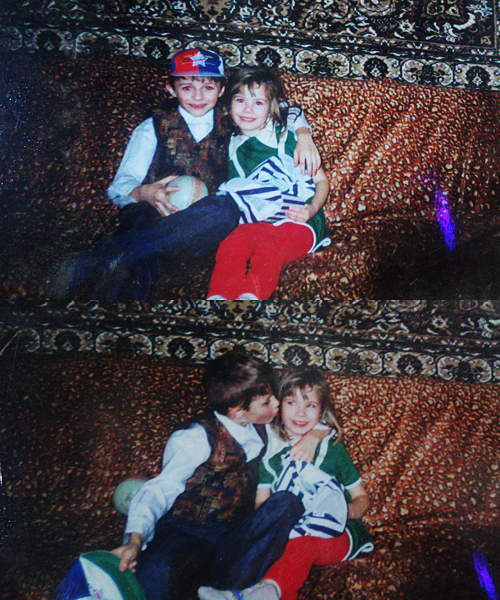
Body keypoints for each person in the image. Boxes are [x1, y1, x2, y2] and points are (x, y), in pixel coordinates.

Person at [51, 48, 320, 301]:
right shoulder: (152, 126)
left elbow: (281, 108)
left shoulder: (234, 119)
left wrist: (303, 134)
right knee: (140, 251)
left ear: (221, 91)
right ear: (171, 89)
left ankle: (104, 256)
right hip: (153, 214)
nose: (198, 96)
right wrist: (143, 192)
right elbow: (120, 185)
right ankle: (114, 295)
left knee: (226, 210)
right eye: (187, 87)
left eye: (208, 87)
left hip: (201, 226)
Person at [110, 352, 328, 600]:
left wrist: (314, 437)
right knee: (155, 571)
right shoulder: (195, 438)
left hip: (232, 540)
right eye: (267, 402)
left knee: (287, 503)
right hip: (185, 533)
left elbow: (321, 422)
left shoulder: (264, 427)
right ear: (238, 411)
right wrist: (135, 539)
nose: (277, 404)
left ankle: (228, 591)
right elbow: (159, 489)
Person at [198, 366, 374, 600]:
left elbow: (362, 498)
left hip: (334, 535)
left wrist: (345, 511)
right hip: (288, 533)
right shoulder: (270, 456)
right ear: (279, 406)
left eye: (310, 405)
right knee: (276, 549)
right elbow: (262, 507)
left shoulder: (333, 450)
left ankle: (258, 594)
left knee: (302, 545)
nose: (300, 413)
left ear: (322, 411)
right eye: (291, 403)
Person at [206, 67, 331, 301]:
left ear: (271, 106)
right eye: (240, 100)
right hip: (258, 221)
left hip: (299, 221)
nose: (248, 109)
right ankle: (219, 297)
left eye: (258, 103)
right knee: (231, 243)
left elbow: (322, 180)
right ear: (228, 105)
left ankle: (251, 298)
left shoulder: (288, 136)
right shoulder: (230, 147)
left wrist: (312, 208)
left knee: (270, 247)